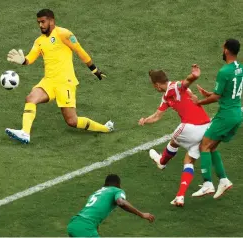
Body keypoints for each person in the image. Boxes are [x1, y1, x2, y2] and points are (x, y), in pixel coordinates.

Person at [5, 9, 113, 144]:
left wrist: (94, 69)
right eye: (38, 22)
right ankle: (25, 133)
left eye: (43, 22)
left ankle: (105, 128)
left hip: (65, 83)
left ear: (51, 20)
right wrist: (23, 60)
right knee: (30, 98)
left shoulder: (64, 34)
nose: (40, 25)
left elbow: (79, 51)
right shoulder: (39, 41)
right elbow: (30, 58)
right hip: (48, 81)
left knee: (72, 121)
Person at [139, 65, 211, 206]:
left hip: (192, 125)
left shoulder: (174, 87)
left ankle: (162, 162)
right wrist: (145, 120)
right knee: (189, 160)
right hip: (205, 128)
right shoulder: (167, 96)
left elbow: (185, 83)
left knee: (174, 139)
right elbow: (157, 116)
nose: (155, 88)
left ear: (158, 84)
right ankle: (180, 197)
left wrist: (194, 76)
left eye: (154, 86)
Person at [191, 39, 242, 198]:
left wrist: (199, 101)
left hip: (225, 115)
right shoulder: (240, 68)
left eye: (223, 47)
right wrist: (209, 95)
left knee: (204, 146)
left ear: (226, 50)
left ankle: (207, 184)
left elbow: (218, 96)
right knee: (212, 147)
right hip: (236, 113)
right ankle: (224, 180)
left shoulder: (224, 71)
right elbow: (228, 93)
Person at [67, 174, 155, 237]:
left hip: (73, 224)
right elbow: (121, 202)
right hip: (86, 227)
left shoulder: (96, 194)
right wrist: (142, 214)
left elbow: (94, 215)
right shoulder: (116, 190)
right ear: (118, 185)